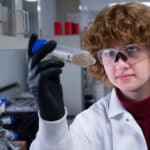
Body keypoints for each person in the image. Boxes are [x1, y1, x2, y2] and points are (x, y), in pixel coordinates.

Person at [28, 2, 150, 150]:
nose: (120, 64)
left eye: (132, 48)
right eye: (110, 53)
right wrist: (52, 121)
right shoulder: (89, 124)